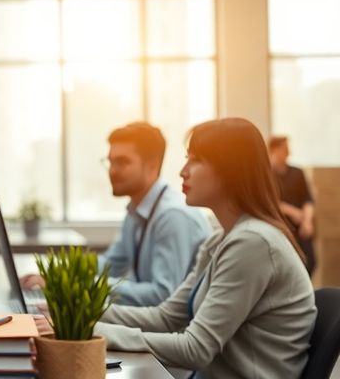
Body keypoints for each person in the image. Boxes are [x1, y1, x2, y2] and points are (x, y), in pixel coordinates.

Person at [87, 118, 316, 378]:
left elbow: (196, 348)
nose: (183, 171)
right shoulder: (221, 239)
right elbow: (165, 317)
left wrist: (91, 330)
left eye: (195, 160)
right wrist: (78, 313)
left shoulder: (253, 242)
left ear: (229, 170)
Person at [22, 122, 211, 306]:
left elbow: (162, 295)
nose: (112, 170)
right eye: (110, 162)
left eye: (122, 162)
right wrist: (56, 274)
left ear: (152, 166)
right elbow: (111, 263)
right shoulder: (136, 210)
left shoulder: (173, 216)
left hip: (170, 333)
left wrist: (75, 285)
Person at [268, 135, 317, 275]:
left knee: (310, 261)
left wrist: (307, 221)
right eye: (285, 149)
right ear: (274, 150)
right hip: (280, 226)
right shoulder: (266, 174)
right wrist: (292, 212)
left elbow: (308, 199)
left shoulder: (297, 172)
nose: (289, 152)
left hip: (300, 227)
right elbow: (268, 201)